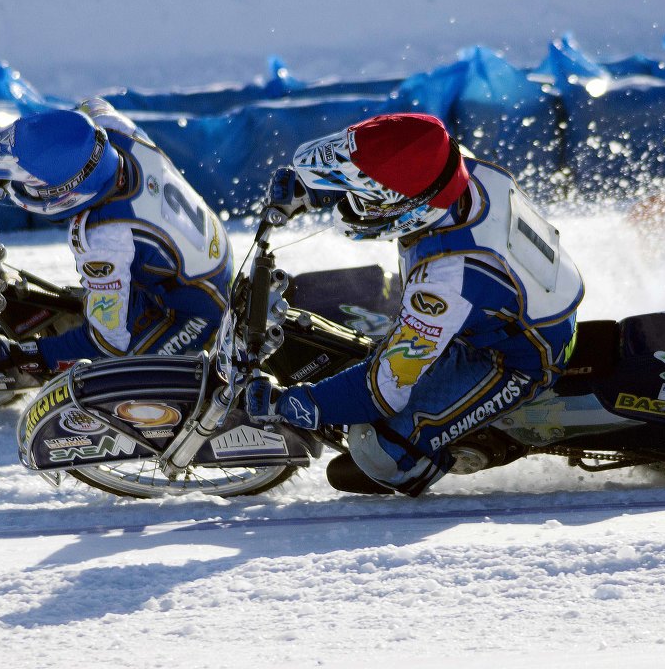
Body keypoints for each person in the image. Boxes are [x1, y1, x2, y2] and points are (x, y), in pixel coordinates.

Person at [246, 113, 584, 496]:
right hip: (504, 304)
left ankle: (432, 455)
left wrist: (289, 404)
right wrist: (316, 189)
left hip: (513, 357)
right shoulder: (455, 169)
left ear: (406, 210)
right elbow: (392, 174)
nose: (359, 202)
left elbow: (382, 389)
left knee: (376, 452)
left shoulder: (443, 281)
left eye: (365, 195)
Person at [0, 97, 233, 378]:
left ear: (66, 195)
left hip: (198, 311)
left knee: (110, 379)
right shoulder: (113, 129)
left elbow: (108, 343)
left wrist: (24, 354)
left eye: (30, 183)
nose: (22, 187)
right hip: (207, 256)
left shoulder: (104, 239)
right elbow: (84, 111)